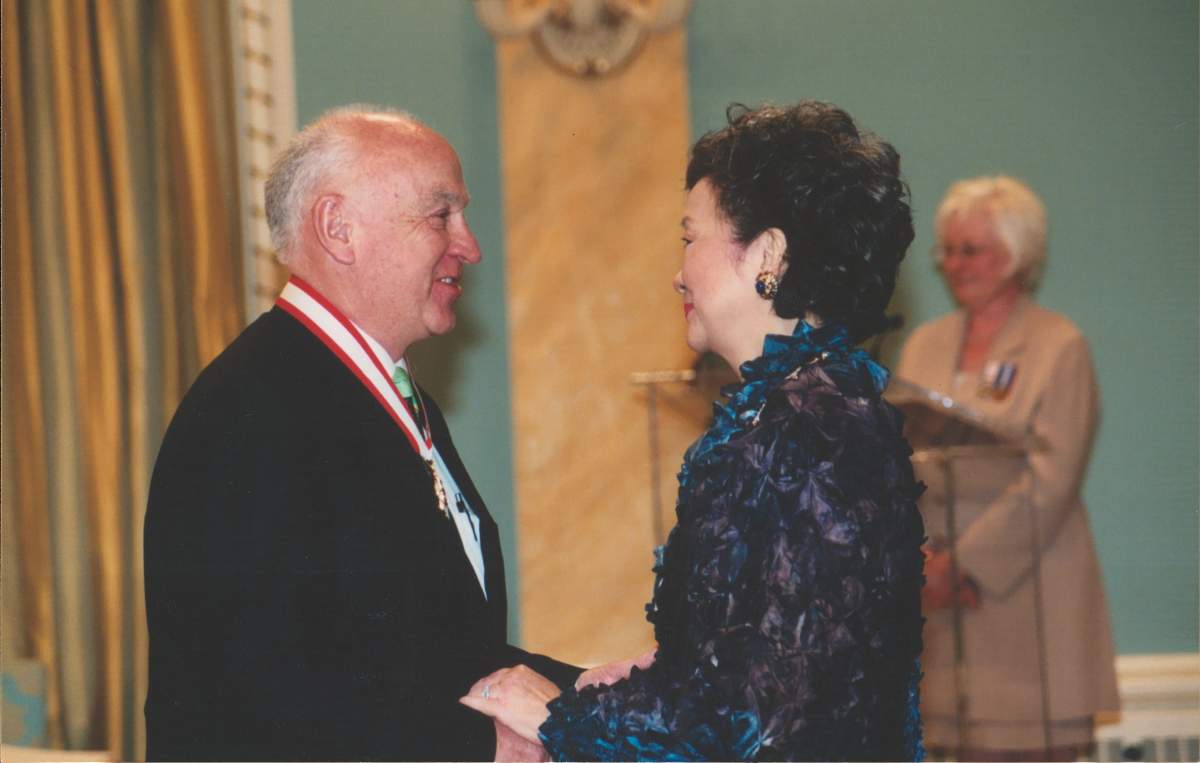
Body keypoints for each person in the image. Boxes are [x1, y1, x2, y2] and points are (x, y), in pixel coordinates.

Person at [461, 101, 927, 761]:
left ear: (767, 253)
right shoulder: (815, 410)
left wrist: (560, 715)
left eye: (689, 236)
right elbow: (778, 660)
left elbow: (754, 717)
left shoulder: (804, 430)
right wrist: (654, 676)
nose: (677, 271)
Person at [143, 106, 579, 761]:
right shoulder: (250, 410)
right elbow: (260, 690)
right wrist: (472, 745)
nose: (470, 244)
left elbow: (433, 645)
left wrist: (595, 691)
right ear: (339, 228)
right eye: (442, 215)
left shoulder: (392, 396)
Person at [896, 176, 1119, 760]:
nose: (953, 264)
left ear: (1018, 255)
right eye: (947, 250)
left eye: (971, 250)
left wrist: (961, 565)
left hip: (1026, 606)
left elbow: (1051, 480)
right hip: (939, 612)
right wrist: (916, 557)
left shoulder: (1058, 346)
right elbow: (896, 464)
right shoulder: (923, 345)